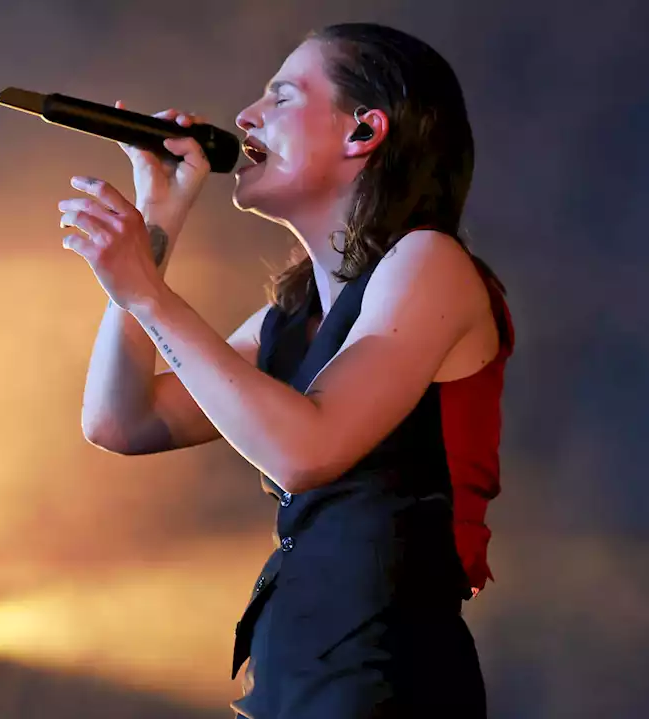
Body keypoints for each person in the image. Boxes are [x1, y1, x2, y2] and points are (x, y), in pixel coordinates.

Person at [58, 22, 513, 718]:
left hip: (388, 683)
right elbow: (121, 419)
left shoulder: (430, 264)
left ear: (364, 132)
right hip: (301, 678)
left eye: (281, 97)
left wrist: (147, 291)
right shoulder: (290, 317)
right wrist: (158, 219)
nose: (245, 117)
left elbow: (306, 449)